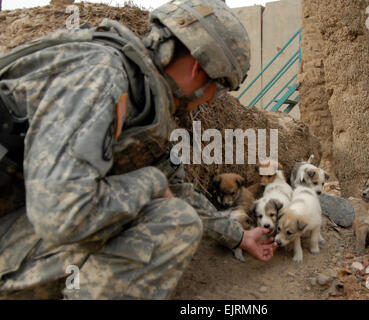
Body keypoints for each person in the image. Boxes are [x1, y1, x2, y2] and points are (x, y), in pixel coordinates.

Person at [0, 0, 277, 299]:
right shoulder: (101, 77)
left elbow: (178, 188)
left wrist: (239, 237)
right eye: (219, 88)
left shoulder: (144, 101)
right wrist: (150, 183)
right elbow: (61, 214)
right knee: (173, 222)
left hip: (17, 222)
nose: (212, 100)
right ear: (199, 68)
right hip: (29, 224)